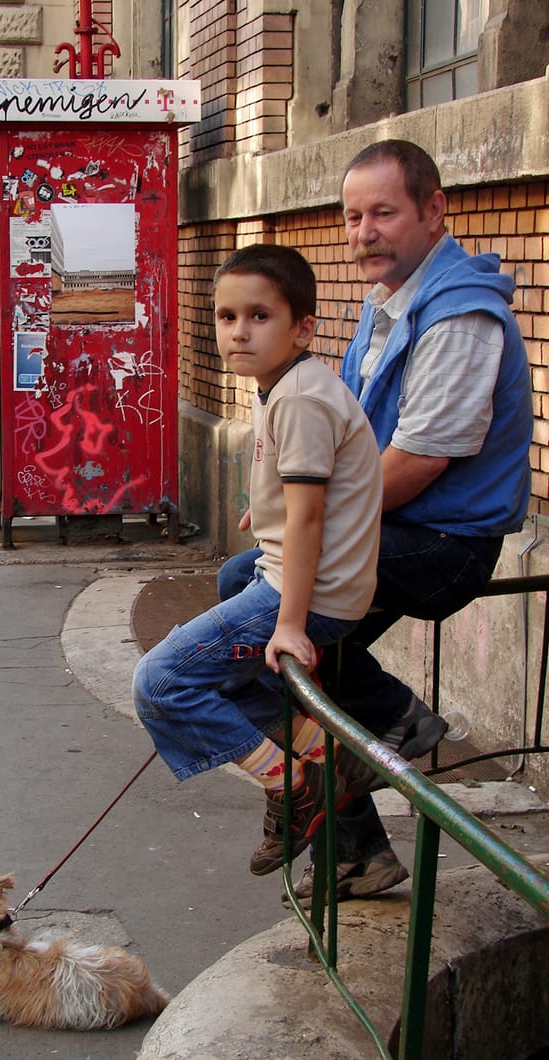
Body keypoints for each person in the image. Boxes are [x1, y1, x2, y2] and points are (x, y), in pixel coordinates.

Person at [229, 139, 533, 902]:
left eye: (383, 212)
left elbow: (419, 460)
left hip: (444, 543)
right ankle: (362, 843)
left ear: (434, 211)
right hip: (395, 528)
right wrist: (284, 503)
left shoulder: (460, 317)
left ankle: (393, 722)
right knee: (277, 638)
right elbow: (352, 431)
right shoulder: (388, 301)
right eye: (351, 215)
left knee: (254, 607)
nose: (362, 231)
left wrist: (306, 515)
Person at [133, 244, 383, 864]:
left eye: (259, 316)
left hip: (310, 593)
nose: (238, 332)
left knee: (160, 683)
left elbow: (308, 517)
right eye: (225, 317)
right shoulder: (281, 384)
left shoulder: (298, 397)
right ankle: (324, 752)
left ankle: (292, 785)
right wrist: (263, 507)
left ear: (303, 327)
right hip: (309, 579)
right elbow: (298, 494)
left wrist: (290, 625)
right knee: (227, 597)